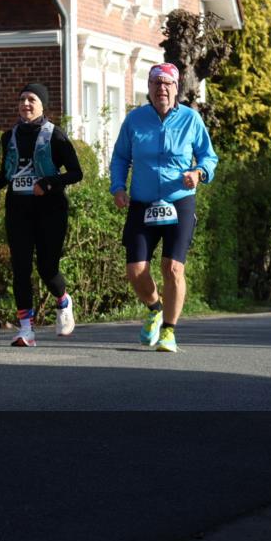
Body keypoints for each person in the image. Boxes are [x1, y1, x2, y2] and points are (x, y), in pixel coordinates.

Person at [109, 63, 218, 353]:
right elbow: (120, 157)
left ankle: (169, 331)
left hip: (178, 200)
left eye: (167, 84)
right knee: (136, 270)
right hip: (143, 202)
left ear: (176, 88)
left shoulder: (191, 119)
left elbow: (209, 156)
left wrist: (198, 173)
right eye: (156, 83)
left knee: (172, 268)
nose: (162, 89)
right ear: (149, 88)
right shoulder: (135, 120)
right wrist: (118, 187)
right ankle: (155, 308)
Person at [0, 84, 83, 346]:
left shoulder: (56, 136)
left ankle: (63, 300)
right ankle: (26, 329)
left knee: (46, 267)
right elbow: (7, 173)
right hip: (18, 209)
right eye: (22, 100)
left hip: (51, 209)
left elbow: (76, 172)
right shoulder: (10, 137)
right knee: (20, 267)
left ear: (43, 105)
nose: (26, 104)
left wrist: (49, 183)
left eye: (32, 99)